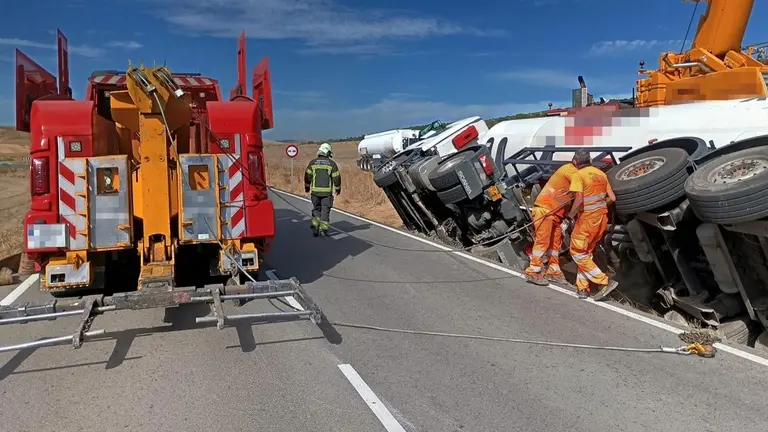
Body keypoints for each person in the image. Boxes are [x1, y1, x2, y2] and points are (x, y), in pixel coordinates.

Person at [562, 149, 619, 300]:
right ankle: (583, 288)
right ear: (591, 160)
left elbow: (579, 200)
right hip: (601, 218)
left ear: (575, 162)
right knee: (586, 253)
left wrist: (568, 218)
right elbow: (612, 198)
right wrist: (599, 205)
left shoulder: (579, 175)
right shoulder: (601, 174)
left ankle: (604, 281)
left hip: (587, 220)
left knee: (577, 252)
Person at [524, 160, 578, 286]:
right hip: (546, 211)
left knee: (555, 245)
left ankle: (553, 271)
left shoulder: (572, 171)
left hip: (556, 214)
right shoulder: (570, 171)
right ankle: (533, 271)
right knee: (542, 242)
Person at [304, 143, 341, 237]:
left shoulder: (313, 163)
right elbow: (336, 177)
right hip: (327, 194)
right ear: (328, 152)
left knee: (316, 209)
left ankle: (315, 228)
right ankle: (324, 230)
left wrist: (307, 186)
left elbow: (307, 176)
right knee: (325, 211)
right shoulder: (332, 164)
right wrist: (338, 188)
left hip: (315, 193)